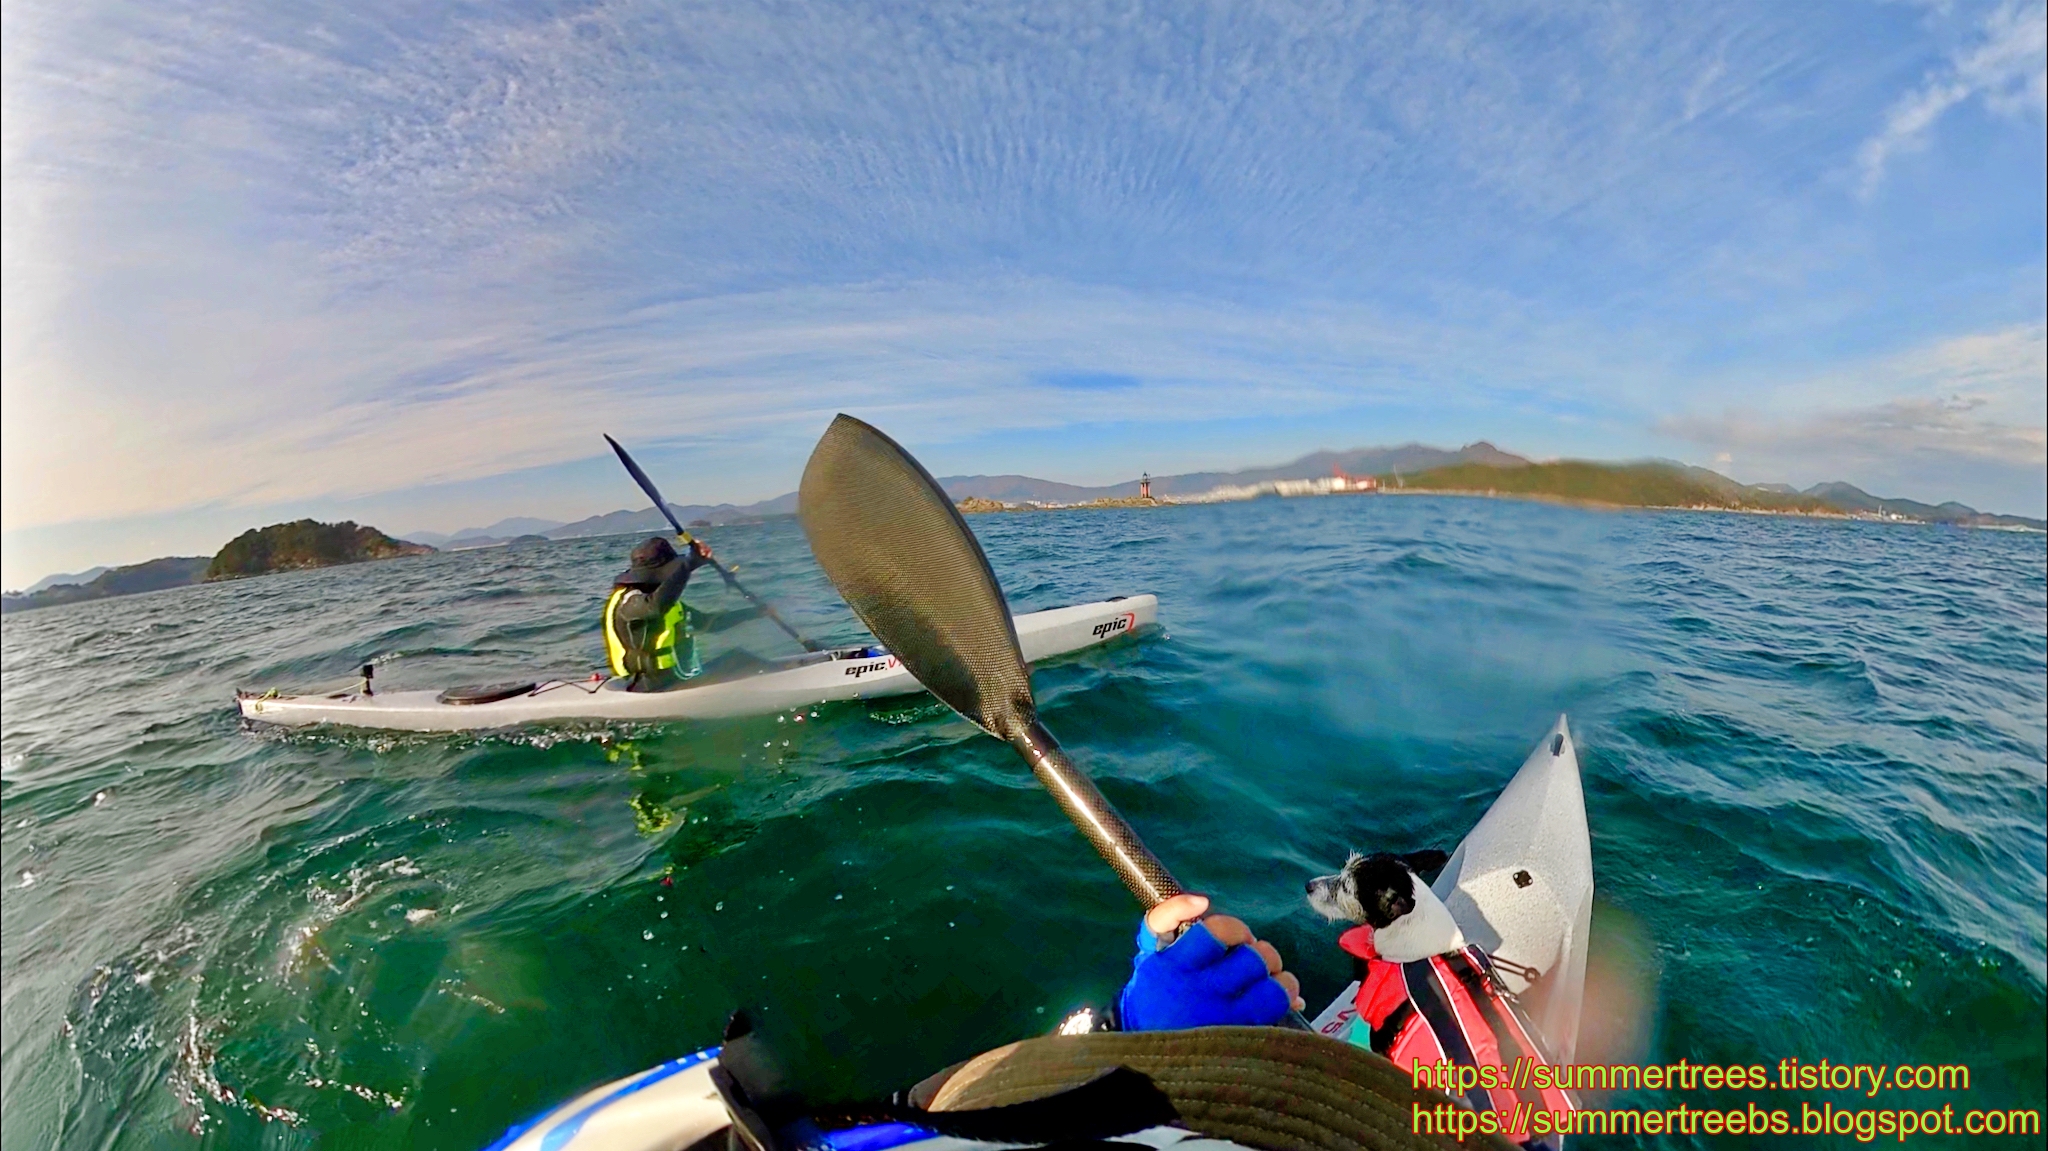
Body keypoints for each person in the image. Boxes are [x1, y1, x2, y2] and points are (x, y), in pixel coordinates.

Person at [604, 535, 714, 691]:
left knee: (739, 659)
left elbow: (706, 622)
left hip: (676, 677)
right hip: (647, 686)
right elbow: (655, 606)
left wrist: (751, 613)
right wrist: (688, 564)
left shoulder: (663, 600)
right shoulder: (629, 601)